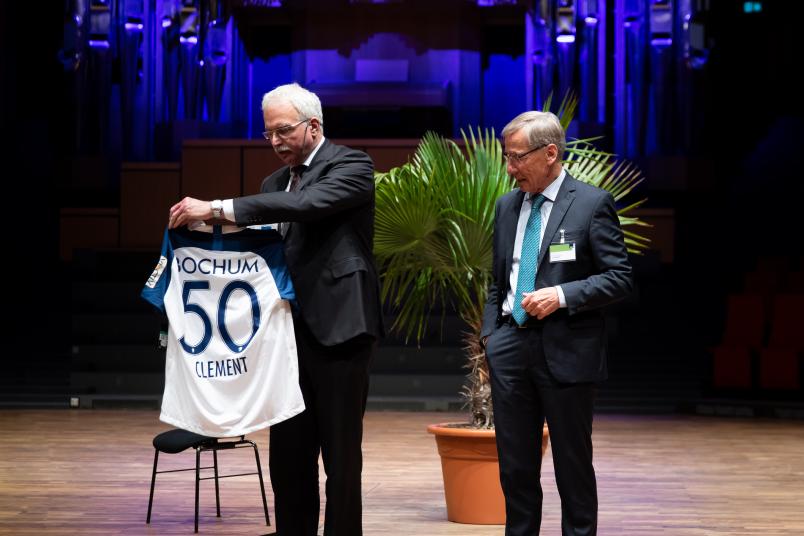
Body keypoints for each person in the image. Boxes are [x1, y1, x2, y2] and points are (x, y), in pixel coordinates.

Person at [168, 82, 384, 536]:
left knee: (341, 457)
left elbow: (307, 205)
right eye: (268, 134)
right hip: (284, 333)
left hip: (341, 328)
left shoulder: (351, 164)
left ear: (313, 125)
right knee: (288, 453)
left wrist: (218, 207)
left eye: (283, 131)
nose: (275, 142)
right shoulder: (272, 183)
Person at [480, 111, 633, 536]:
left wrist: (562, 295)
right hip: (510, 347)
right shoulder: (506, 206)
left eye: (516, 158)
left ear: (550, 153)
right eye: (506, 158)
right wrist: (491, 335)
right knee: (515, 468)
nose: (510, 169)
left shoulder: (591, 203)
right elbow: (499, 280)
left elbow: (619, 277)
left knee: (572, 466)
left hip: (566, 349)